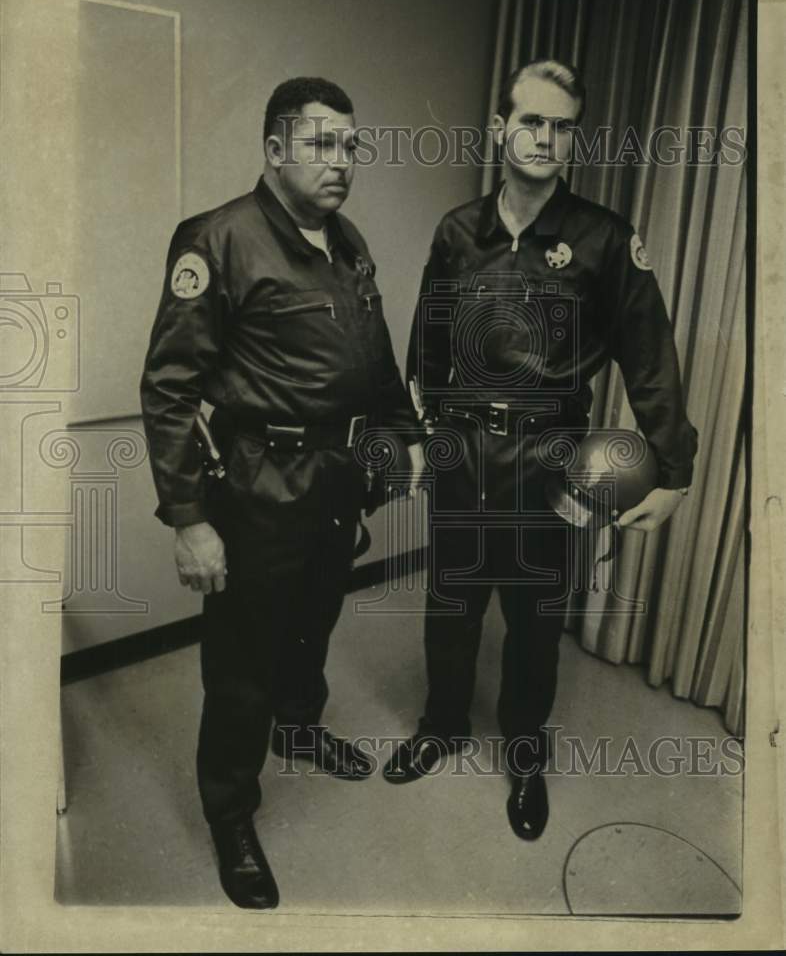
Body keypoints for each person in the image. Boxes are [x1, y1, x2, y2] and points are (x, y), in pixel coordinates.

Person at [387, 59, 698, 841]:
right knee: (452, 605)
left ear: (573, 138)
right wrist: (414, 428)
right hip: (463, 454)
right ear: (501, 128)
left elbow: (650, 357)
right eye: (531, 120)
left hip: (552, 460)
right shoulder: (459, 230)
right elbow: (426, 338)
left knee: (534, 619)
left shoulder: (603, 239)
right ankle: (443, 724)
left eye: (561, 126)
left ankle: (525, 752)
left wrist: (674, 468)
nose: (545, 138)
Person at [140, 77, 422, 909]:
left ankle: (299, 732)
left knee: (311, 629)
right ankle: (231, 811)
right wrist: (189, 520)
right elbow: (166, 390)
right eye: (321, 145)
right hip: (258, 489)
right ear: (273, 150)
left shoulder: (346, 239)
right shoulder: (217, 240)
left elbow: (376, 361)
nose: (341, 163)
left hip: (336, 486)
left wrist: (404, 440)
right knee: (242, 667)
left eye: (350, 146)